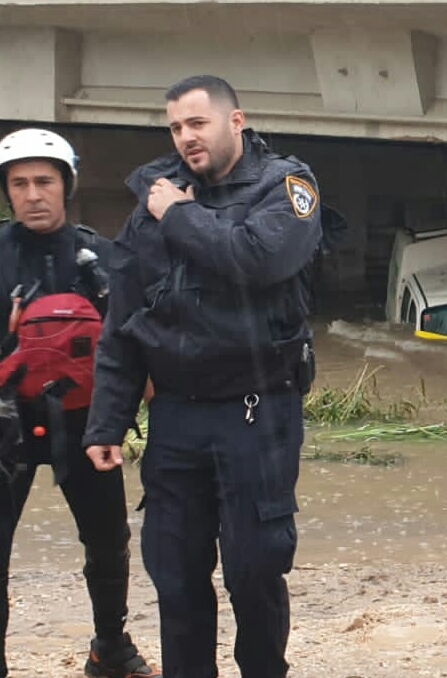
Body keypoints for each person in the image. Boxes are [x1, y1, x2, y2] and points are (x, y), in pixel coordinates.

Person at [84, 75, 322, 678]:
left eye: (197, 123)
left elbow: (259, 260)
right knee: (177, 570)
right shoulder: (155, 203)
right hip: (177, 417)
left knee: (255, 566)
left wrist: (181, 217)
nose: (186, 137)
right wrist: (107, 420)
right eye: (175, 127)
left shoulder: (287, 186)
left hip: (258, 409)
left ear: (234, 121)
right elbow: (124, 322)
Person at [0, 128, 159, 678]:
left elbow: (137, 345)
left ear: (66, 186)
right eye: (19, 184)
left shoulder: (105, 258)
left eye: (44, 181)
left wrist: (134, 414)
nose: (32, 194)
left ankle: (109, 649)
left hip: (88, 426)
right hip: (6, 427)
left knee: (109, 543)